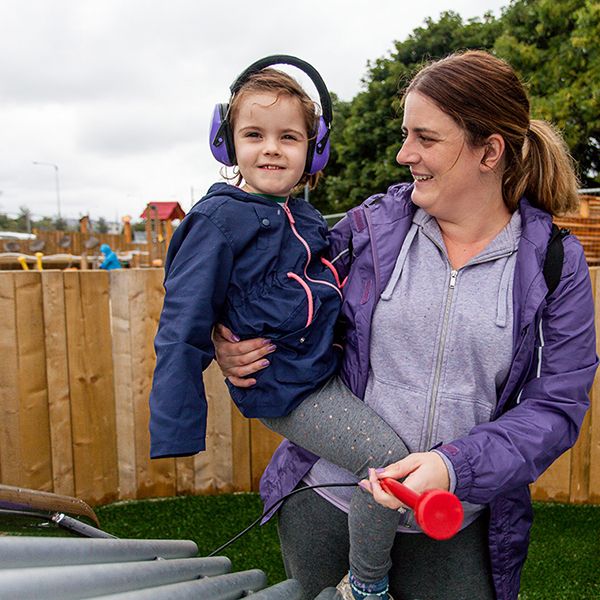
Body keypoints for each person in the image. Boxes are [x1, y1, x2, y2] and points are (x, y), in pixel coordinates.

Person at [213, 50, 598, 600]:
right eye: (404, 133)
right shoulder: (368, 230)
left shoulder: (553, 264)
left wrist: (452, 466)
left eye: (426, 138)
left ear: (490, 151)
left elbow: (556, 409)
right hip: (329, 502)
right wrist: (224, 340)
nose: (403, 154)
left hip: (453, 522)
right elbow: (263, 289)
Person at [149, 56, 413, 600]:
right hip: (284, 386)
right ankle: (366, 585)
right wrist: (177, 424)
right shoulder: (216, 222)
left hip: (318, 369)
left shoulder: (306, 218)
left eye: (289, 137)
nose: (271, 148)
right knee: (386, 460)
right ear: (227, 145)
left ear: (314, 152)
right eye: (254, 134)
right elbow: (182, 323)